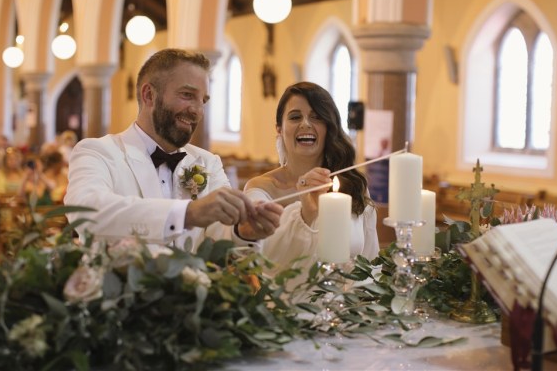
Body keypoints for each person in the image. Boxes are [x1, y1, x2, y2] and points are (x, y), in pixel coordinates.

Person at [64, 48, 282, 252]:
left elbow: (220, 233)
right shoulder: (97, 152)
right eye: (187, 95)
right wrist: (186, 214)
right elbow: (86, 213)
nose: (197, 111)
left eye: (203, 101)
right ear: (149, 95)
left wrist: (242, 232)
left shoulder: (207, 162)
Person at [236, 82, 379, 280]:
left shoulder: (353, 184)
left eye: (317, 117)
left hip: (346, 305)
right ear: (279, 128)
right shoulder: (260, 188)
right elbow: (261, 254)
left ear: (329, 127)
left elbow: (369, 258)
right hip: (283, 307)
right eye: (295, 117)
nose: (306, 124)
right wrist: (305, 213)